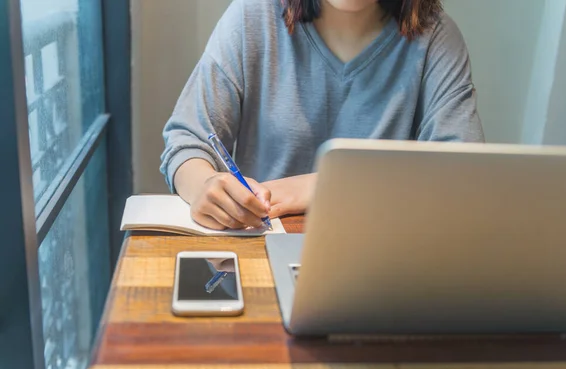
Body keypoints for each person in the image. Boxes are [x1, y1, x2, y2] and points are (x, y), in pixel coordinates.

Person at [160, 0, 484, 231]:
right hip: (259, 249)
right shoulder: (253, 15)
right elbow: (187, 140)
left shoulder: (436, 38)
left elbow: (461, 178)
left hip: (383, 261)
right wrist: (204, 184)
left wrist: (301, 190)